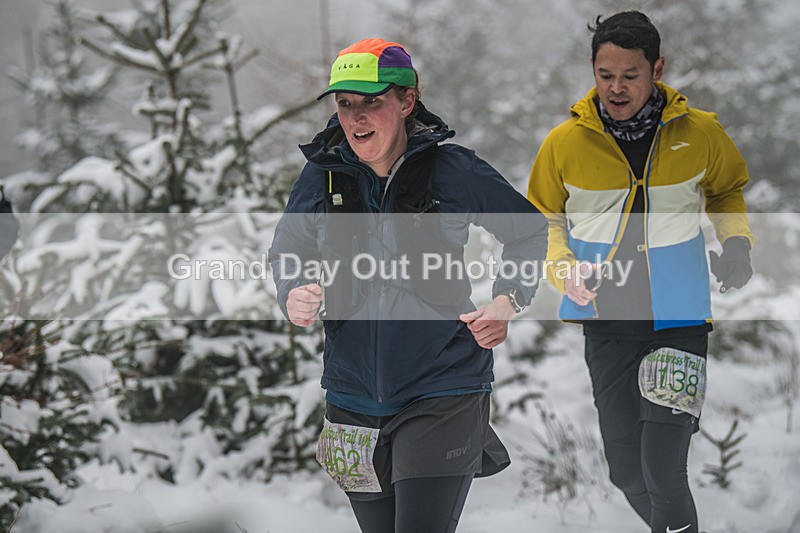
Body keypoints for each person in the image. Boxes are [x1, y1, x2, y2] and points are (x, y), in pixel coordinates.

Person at [269, 38, 548, 532]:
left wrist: (507, 300)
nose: (356, 117)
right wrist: (293, 289)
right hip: (351, 395)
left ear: (407, 101)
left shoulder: (453, 170)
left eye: (372, 102)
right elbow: (288, 248)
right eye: (346, 103)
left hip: (442, 387)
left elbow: (527, 232)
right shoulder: (323, 175)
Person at [526, 11, 753, 533]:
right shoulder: (564, 143)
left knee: (664, 471)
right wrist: (563, 271)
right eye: (606, 75)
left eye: (630, 75)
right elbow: (542, 218)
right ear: (592, 69)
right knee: (627, 472)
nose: (617, 87)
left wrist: (737, 243)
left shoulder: (699, 133)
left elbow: (726, 190)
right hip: (607, 322)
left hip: (680, 320)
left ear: (657, 69)